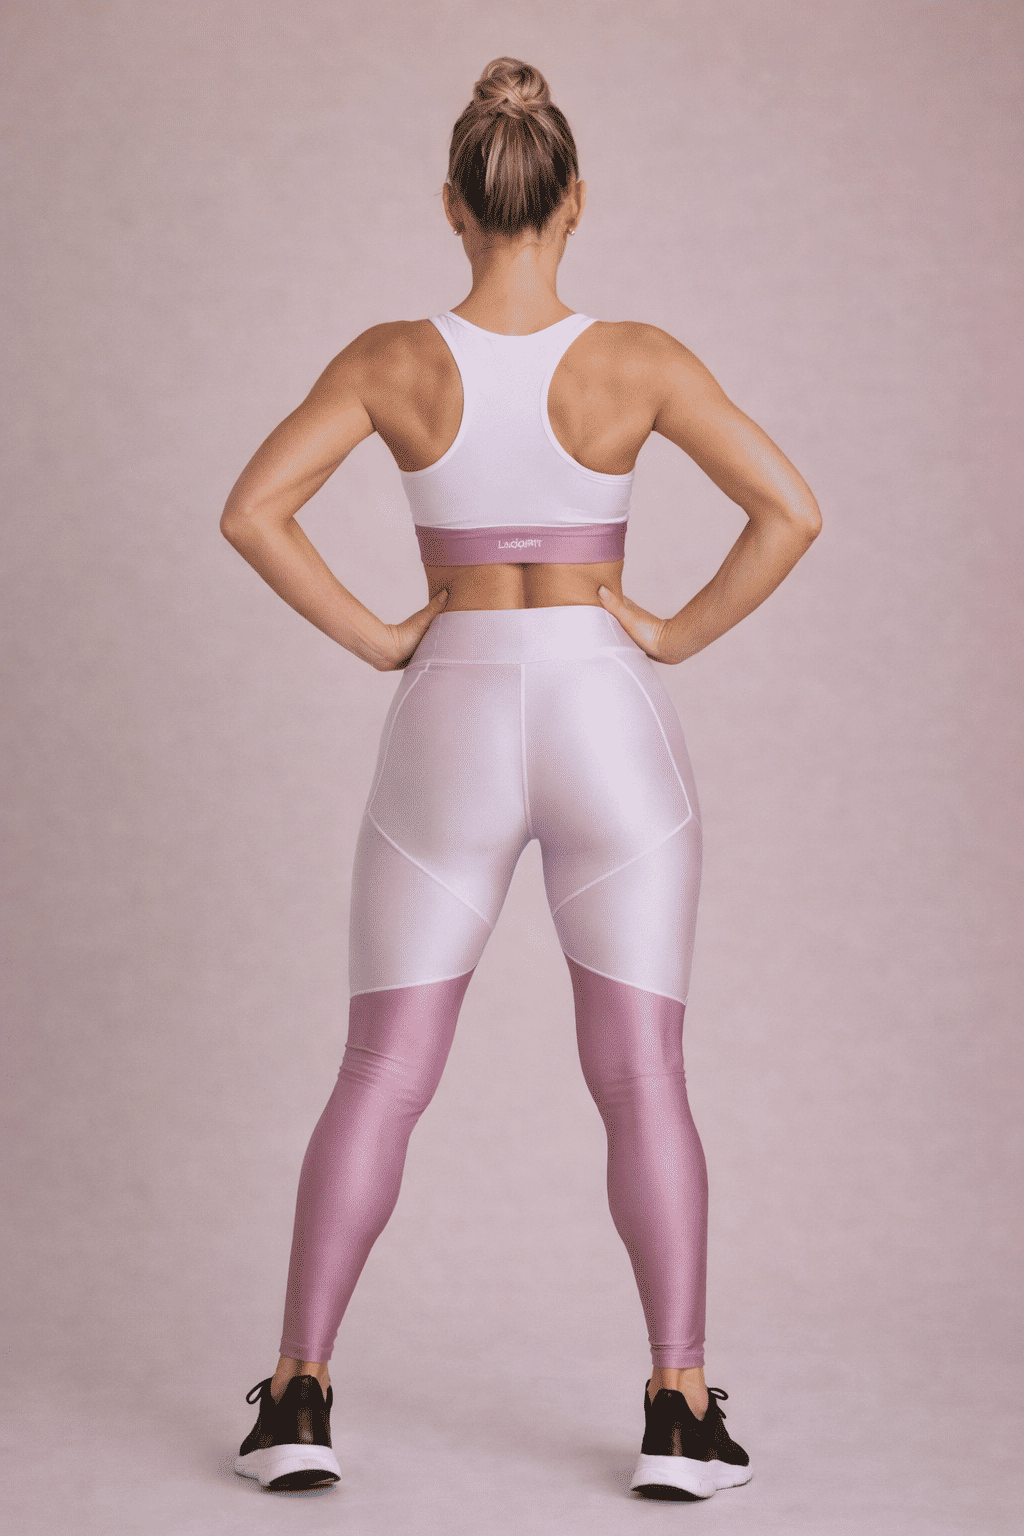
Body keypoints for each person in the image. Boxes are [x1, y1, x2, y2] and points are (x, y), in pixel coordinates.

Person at [220, 56, 821, 1501]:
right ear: (575, 202)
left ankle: (297, 1394)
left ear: (453, 204)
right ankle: (679, 1407)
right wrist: (671, 630)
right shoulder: (640, 359)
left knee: (382, 1072)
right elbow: (790, 511)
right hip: (604, 708)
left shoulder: (392, 359)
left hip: (455, 708)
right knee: (641, 1076)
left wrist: (382, 634)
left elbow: (253, 511)